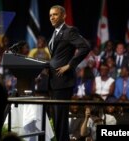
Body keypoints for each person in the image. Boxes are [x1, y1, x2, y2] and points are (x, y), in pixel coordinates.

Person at [47, 5, 90, 141]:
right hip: (54, 81)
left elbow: (85, 47)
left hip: (63, 81)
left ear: (63, 16)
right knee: (57, 119)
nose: (52, 17)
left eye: (55, 14)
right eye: (50, 15)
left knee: (60, 118)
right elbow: (56, 56)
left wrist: (70, 65)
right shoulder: (55, 33)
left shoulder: (69, 31)